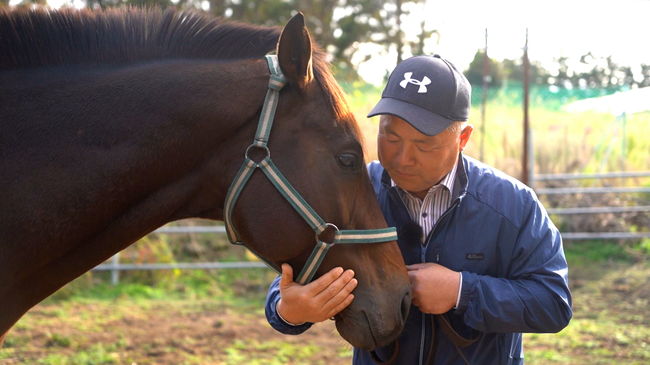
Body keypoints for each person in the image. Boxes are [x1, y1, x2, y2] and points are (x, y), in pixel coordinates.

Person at [265, 54, 572, 364]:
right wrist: (288, 309)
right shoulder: (356, 191)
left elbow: (553, 303)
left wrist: (461, 291)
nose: (402, 158)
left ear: (462, 138)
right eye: (390, 136)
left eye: (424, 144)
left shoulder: (513, 205)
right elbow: (291, 282)